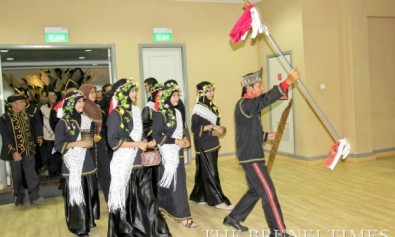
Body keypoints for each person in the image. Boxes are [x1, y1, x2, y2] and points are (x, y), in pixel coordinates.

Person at [223, 67, 299, 237]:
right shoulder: (245, 104)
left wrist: (265, 135)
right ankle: (278, 231)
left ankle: (233, 218)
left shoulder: (248, 107)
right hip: (252, 158)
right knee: (269, 193)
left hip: (250, 155)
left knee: (256, 191)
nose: (262, 88)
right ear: (249, 88)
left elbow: (247, 130)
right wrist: (287, 82)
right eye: (259, 86)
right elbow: (265, 100)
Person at [106, 79, 170, 237]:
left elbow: (140, 135)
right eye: (132, 91)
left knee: (146, 199)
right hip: (125, 165)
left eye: (135, 90)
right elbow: (113, 143)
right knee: (129, 202)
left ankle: (153, 229)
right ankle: (131, 231)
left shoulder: (135, 110)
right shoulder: (115, 115)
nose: (135, 94)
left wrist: (147, 143)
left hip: (139, 162)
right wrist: (137, 143)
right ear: (122, 94)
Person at [54, 90, 100, 237]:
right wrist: (78, 142)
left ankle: (88, 220)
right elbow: (59, 145)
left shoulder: (85, 119)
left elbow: (89, 141)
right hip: (72, 163)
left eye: (82, 101)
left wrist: (90, 141)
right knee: (77, 194)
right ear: (69, 104)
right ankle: (79, 226)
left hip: (87, 162)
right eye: (78, 102)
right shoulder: (62, 123)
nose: (81, 104)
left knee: (88, 192)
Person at [152, 84, 197, 228]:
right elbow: (157, 137)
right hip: (166, 153)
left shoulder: (177, 112)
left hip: (177, 151)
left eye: (178, 95)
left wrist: (184, 138)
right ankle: (182, 216)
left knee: (175, 182)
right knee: (173, 184)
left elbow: (180, 128)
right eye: (174, 96)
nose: (177, 98)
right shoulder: (160, 114)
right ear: (166, 97)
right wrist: (176, 141)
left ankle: (164, 208)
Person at [189, 81, 232, 210]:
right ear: (201, 93)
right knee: (211, 172)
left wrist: (219, 129)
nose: (212, 93)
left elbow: (215, 127)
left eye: (212, 90)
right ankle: (217, 200)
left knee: (204, 171)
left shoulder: (212, 107)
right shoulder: (198, 108)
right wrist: (212, 126)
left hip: (212, 143)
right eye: (208, 91)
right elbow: (195, 129)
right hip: (203, 144)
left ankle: (200, 196)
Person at [0, 93, 44, 206]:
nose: (25, 104)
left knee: (31, 174)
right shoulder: (4, 118)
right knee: (17, 175)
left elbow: (36, 125)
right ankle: (18, 197)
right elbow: (5, 137)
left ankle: (34, 196)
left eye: (24, 102)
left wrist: (38, 136)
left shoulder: (27, 115)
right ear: (14, 104)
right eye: (22, 102)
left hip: (29, 150)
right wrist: (13, 152)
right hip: (14, 152)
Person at [79, 84, 111, 202]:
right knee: (90, 176)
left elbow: (103, 128)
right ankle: (91, 206)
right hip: (87, 147)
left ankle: (111, 202)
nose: (94, 94)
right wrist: (91, 137)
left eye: (95, 92)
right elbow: (81, 130)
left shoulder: (98, 108)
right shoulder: (81, 110)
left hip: (100, 144)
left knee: (106, 173)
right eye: (91, 92)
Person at [141, 80, 162, 198]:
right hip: (153, 143)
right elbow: (144, 128)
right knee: (153, 173)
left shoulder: (163, 108)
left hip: (163, 143)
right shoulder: (148, 108)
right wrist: (156, 135)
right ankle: (153, 197)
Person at [40, 90, 58, 176]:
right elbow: (44, 121)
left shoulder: (60, 106)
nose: (53, 97)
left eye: (54, 95)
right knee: (50, 154)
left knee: (58, 153)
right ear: (47, 97)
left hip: (59, 134)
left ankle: (59, 171)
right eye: (50, 96)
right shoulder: (43, 108)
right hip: (49, 135)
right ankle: (52, 172)